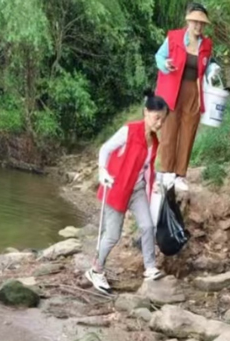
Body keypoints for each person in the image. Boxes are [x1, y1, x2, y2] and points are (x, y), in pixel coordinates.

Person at [86, 90, 168, 293]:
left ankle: (149, 267)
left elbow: (147, 166)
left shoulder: (154, 142)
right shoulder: (129, 131)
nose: (159, 123)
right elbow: (105, 149)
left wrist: (155, 182)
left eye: (163, 120)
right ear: (146, 112)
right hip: (117, 188)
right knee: (112, 235)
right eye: (157, 118)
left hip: (137, 190)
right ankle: (96, 269)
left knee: (148, 227)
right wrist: (102, 171)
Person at [154, 2, 213, 190]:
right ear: (188, 21)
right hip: (172, 90)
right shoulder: (173, 38)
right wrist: (165, 64)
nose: (198, 26)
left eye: (201, 23)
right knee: (169, 131)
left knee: (188, 132)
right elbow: (159, 57)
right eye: (195, 22)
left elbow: (208, 65)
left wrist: (214, 70)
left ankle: (180, 174)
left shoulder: (207, 44)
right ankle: (165, 172)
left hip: (194, 92)